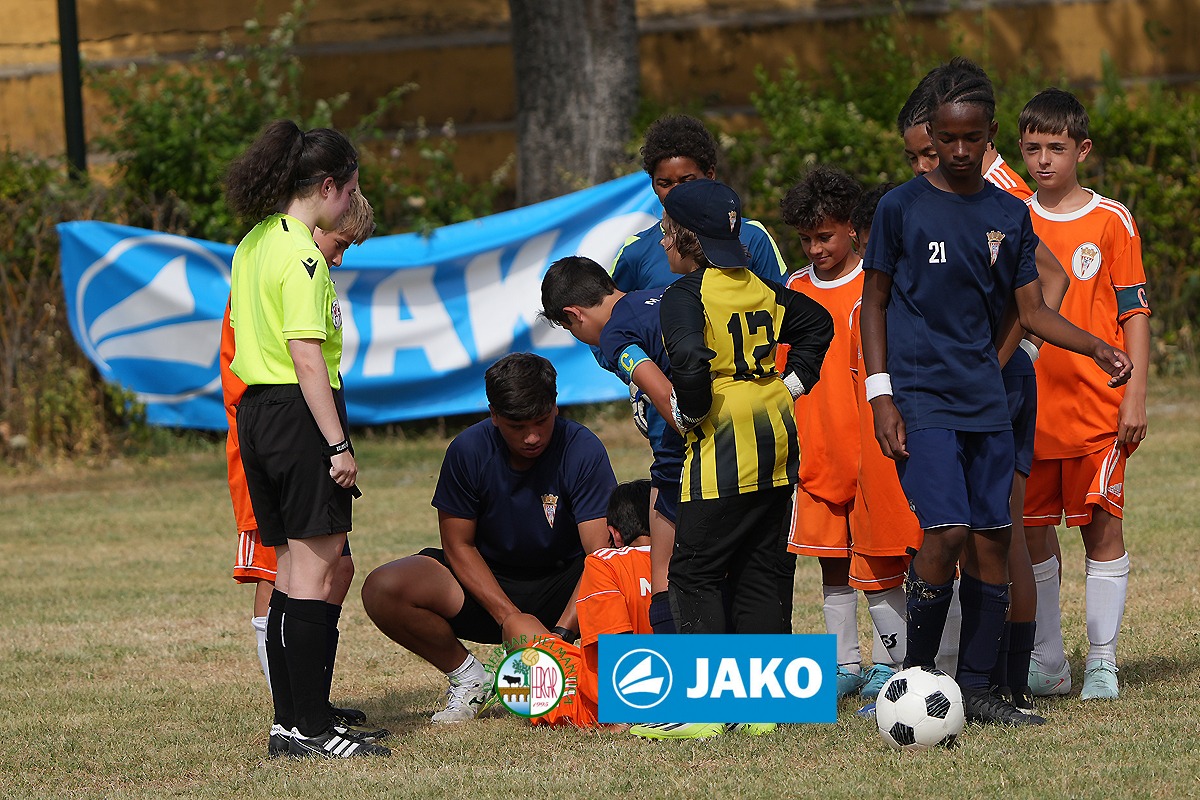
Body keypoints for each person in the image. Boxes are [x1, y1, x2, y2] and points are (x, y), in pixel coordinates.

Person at [860, 58, 1132, 726]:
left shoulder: (1007, 215)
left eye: (967, 138)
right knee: (945, 529)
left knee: (991, 535)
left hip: (989, 399)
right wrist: (880, 394)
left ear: (989, 136)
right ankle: (917, 677)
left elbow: (1033, 308)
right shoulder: (899, 208)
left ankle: (979, 688)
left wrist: (1096, 345)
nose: (954, 151)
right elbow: (873, 303)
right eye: (943, 139)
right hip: (922, 396)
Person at [629, 179, 833, 741]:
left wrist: (689, 409)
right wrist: (792, 383)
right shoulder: (760, 286)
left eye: (667, 236)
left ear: (685, 241)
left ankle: (704, 712)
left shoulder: (684, 294)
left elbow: (691, 359)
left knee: (694, 571)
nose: (663, 246)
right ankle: (763, 708)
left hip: (722, 447)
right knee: (760, 569)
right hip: (776, 441)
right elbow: (818, 324)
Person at [896, 73, 1072, 709]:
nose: (927, 162)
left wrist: (1012, 352)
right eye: (918, 153)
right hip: (949, 387)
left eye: (926, 150)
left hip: (993, 386)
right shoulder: (922, 200)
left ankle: (1008, 678)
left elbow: (1049, 281)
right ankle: (992, 680)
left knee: (998, 532)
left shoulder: (996, 196)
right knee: (973, 533)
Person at [225, 120, 388, 758]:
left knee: (292, 573)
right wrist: (338, 446)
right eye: (350, 191)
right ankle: (313, 729)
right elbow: (306, 356)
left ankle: (291, 724)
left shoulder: (254, 241)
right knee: (316, 576)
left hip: (257, 415)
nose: (350, 201)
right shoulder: (300, 254)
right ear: (328, 186)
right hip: (298, 416)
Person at [360, 353, 617, 724]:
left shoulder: (582, 447)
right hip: (486, 584)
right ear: (494, 415)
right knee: (383, 587)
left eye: (542, 422)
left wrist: (559, 636)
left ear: (556, 406)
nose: (532, 437)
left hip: (568, 586)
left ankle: (597, 675)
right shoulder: (467, 450)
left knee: (637, 566)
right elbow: (458, 546)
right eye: (516, 426)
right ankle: (469, 679)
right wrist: (511, 617)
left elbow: (600, 555)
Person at [1017, 87, 1150, 700]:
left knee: (1100, 527)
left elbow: (1133, 312)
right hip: (1029, 410)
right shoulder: (1012, 216)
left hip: (1097, 406)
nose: (1045, 160)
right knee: (1033, 531)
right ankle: (1048, 659)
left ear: (1082, 150)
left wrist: (1136, 395)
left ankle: (1102, 659)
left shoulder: (1111, 220)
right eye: (1034, 148)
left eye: (1057, 148)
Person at [777, 166, 906, 702]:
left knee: (880, 558)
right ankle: (843, 664)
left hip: (873, 447)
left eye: (825, 236)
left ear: (852, 228)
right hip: (818, 447)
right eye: (806, 239)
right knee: (831, 559)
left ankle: (890, 664)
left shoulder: (875, 285)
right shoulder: (790, 290)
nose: (815, 248)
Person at [540, 256, 682, 636]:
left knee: (668, 576)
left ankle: (673, 676)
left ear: (574, 315)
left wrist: (692, 440)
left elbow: (673, 406)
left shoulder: (616, 333)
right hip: (749, 450)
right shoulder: (669, 295)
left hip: (688, 466)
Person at [506, 479, 655, 730]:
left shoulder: (606, 562)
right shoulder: (692, 563)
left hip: (612, 701)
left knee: (516, 625)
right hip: (683, 686)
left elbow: (611, 640)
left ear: (615, 534)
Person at [611, 114, 788, 292]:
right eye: (665, 184)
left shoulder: (753, 235)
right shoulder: (634, 250)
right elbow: (605, 315)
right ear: (653, 186)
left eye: (686, 180)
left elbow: (783, 308)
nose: (676, 192)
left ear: (710, 175)